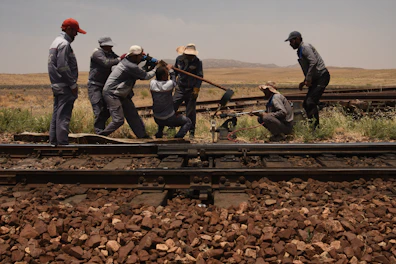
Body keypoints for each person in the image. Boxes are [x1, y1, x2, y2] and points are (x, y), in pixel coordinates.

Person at [100, 45, 156, 138]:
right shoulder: (130, 65)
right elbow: (145, 76)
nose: (142, 57)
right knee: (118, 120)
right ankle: (100, 137)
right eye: (140, 56)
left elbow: (140, 72)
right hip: (113, 94)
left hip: (121, 93)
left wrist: (148, 66)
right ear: (134, 56)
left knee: (133, 116)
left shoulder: (128, 62)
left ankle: (142, 136)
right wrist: (156, 68)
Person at [48, 18, 86, 146]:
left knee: (57, 114)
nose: (76, 35)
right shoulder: (64, 44)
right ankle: (62, 143)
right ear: (69, 29)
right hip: (65, 85)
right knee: (63, 115)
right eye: (75, 31)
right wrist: (72, 84)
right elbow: (63, 67)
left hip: (57, 84)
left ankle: (54, 142)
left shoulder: (55, 42)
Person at [285, 31, 330, 129]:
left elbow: (313, 62)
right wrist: (305, 80)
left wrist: (308, 79)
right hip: (316, 79)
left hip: (322, 77)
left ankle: (316, 129)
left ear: (297, 39)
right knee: (306, 103)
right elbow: (310, 67)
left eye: (291, 41)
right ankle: (313, 127)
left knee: (310, 102)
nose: (290, 44)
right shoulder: (300, 50)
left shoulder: (305, 47)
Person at [88, 36, 124, 134]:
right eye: (109, 46)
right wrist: (120, 58)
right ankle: (99, 133)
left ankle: (101, 133)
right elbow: (106, 63)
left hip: (104, 86)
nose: (111, 47)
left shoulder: (110, 53)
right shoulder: (97, 53)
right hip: (95, 86)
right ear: (103, 45)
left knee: (106, 110)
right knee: (98, 110)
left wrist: (124, 58)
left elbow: (119, 60)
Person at [150, 65, 192, 139]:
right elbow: (174, 80)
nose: (168, 76)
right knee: (188, 122)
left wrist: (160, 68)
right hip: (168, 118)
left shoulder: (152, 83)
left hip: (156, 118)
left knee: (161, 113)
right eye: (167, 75)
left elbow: (158, 77)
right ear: (163, 76)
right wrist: (171, 70)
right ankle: (177, 138)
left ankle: (159, 134)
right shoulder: (169, 85)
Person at [173, 43, 203, 138]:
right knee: (172, 107)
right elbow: (174, 72)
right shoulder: (179, 59)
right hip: (180, 89)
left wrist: (196, 89)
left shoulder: (198, 62)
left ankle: (191, 132)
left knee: (190, 112)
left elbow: (200, 76)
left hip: (191, 90)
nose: (190, 57)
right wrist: (173, 82)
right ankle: (170, 127)